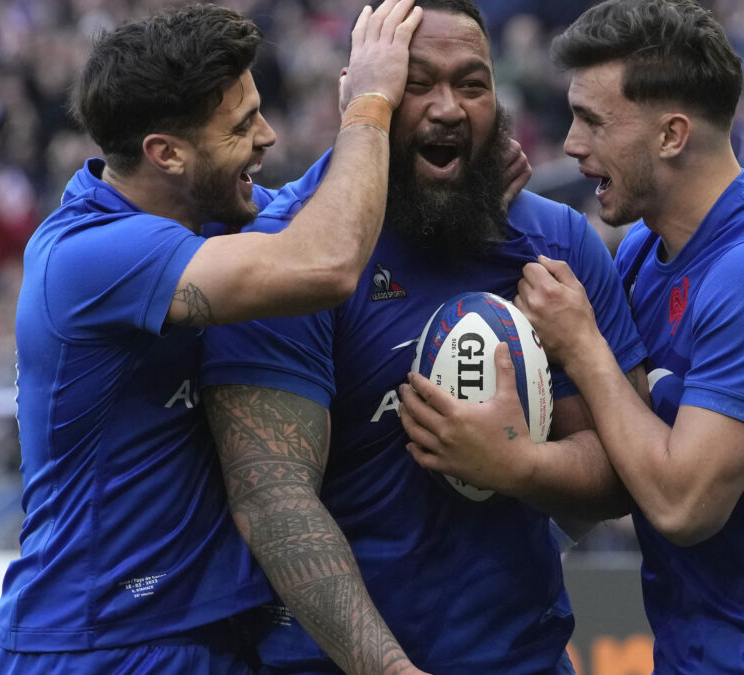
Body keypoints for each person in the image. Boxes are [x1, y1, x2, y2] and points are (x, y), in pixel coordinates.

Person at [400, 0, 744, 671]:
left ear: (671, 135)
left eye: (594, 121)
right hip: (692, 655)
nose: (573, 145)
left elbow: (684, 505)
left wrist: (582, 348)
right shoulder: (638, 253)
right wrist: (473, 196)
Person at [0, 2, 425, 673]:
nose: (268, 136)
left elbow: (315, 210)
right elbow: (326, 261)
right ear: (166, 153)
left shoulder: (210, 215)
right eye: (241, 126)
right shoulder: (91, 255)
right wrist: (369, 104)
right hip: (96, 643)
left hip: (201, 637)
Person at [200, 1, 646, 671]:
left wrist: (518, 464)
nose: (448, 108)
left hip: (523, 658)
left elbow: (620, 474)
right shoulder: (286, 259)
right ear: (362, 96)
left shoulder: (557, 244)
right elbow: (274, 504)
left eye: (472, 84)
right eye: (416, 83)